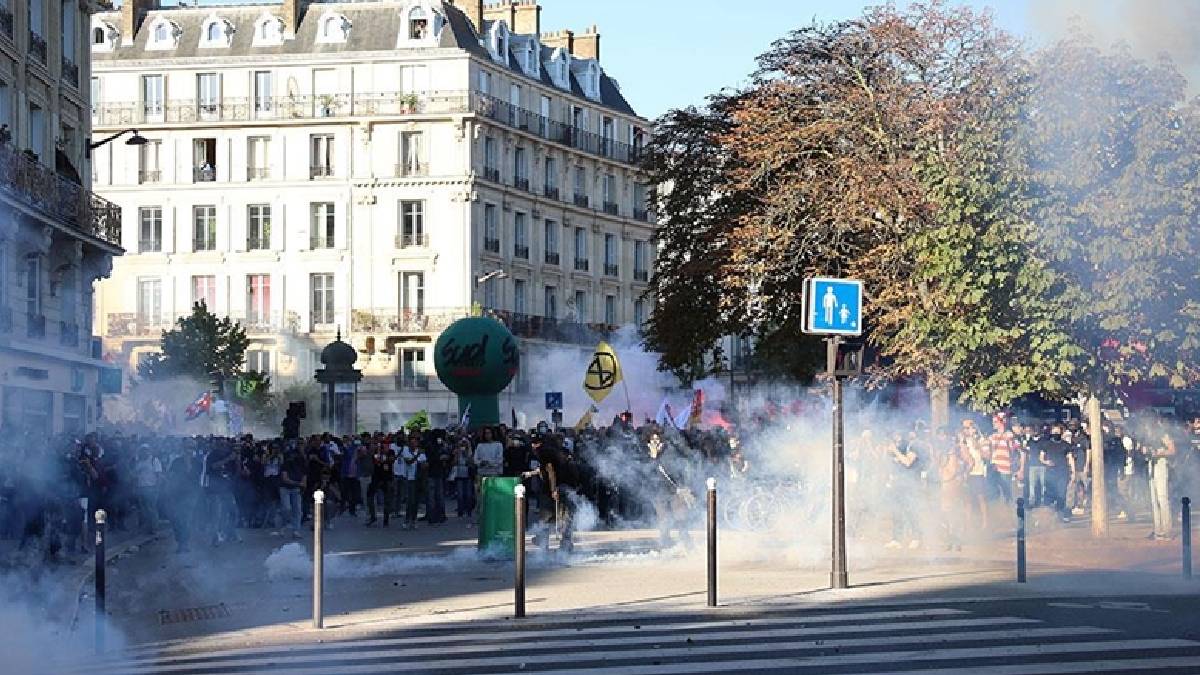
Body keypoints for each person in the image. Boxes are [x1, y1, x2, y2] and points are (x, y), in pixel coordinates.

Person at [1146, 424, 1175, 540]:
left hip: (1161, 464)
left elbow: (1172, 450)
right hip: (1151, 464)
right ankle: (1158, 530)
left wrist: (1159, 453)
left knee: (1162, 498)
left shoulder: (1162, 434)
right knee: (1154, 500)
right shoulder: (1147, 435)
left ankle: (1167, 530)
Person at [399, 434, 427, 529]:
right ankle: (407, 520)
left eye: (415, 441)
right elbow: (408, 462)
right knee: (410, 501)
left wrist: (423, 464)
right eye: (412, 441)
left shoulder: (421, 452)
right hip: (410, 479)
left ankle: (414, 520)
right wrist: (417, 456)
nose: (413, 443)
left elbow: (424, 464)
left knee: (416, 501)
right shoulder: (406, 451)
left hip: (418, 479)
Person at [365, 441, 395, 527]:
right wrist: (378, 451)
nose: (385, 447)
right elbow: (376, 461)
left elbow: (391, 460)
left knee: (387, 500)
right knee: (370, 496)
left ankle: (386, 520)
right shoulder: (377, 452)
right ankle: (373, 516)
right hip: (376, 478)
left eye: (386, 445)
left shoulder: (391, 452)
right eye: (383, 446)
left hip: (387, 478)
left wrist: (384, 458)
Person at [278, 451, 306, 538]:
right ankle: (283, 525)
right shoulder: (285, 464)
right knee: (287, 508)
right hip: (285, 488)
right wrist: (298, 484)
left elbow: (304, 477)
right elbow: (285, 479)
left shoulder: (302, 464)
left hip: (296, 489)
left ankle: (296, 530)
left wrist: (303, 486)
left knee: (297, 510)